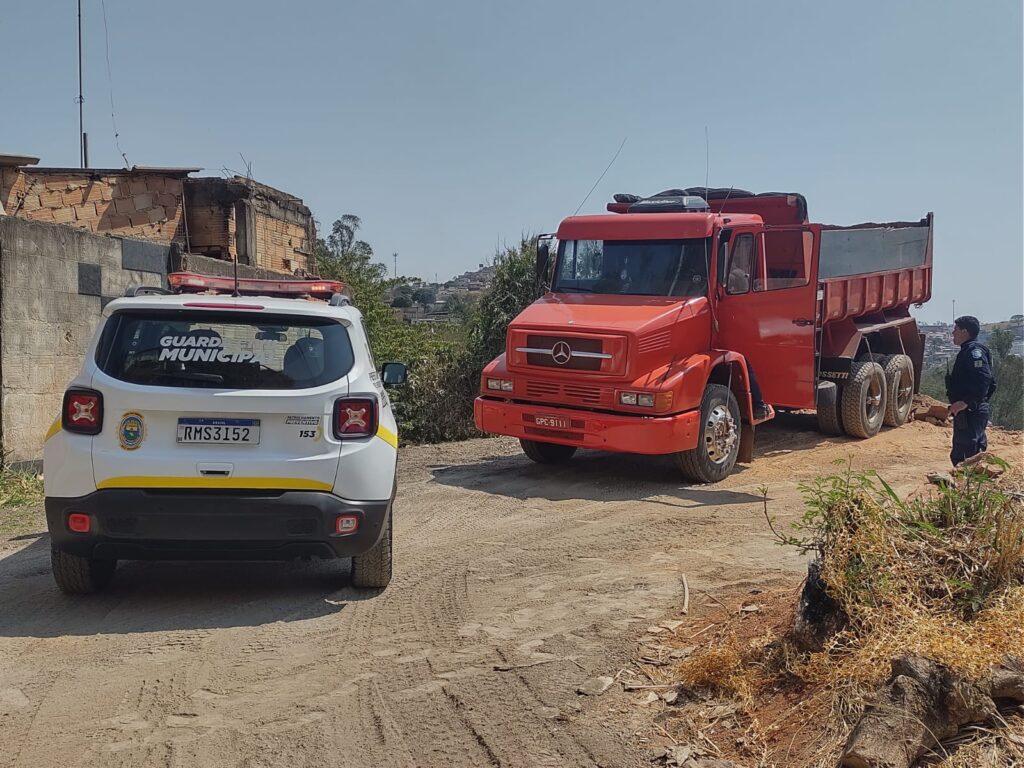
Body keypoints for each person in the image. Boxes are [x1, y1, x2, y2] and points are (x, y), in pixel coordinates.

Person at [945, 315, 996, 466]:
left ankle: (968, 487)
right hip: (968, 412)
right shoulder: (967, 350)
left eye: (956, 330)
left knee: (967, 453)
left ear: (964, 332)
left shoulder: (974, 352)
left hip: (971, 412)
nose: (953, 333)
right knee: (965, 451)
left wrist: (967, 402)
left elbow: (984, 380)